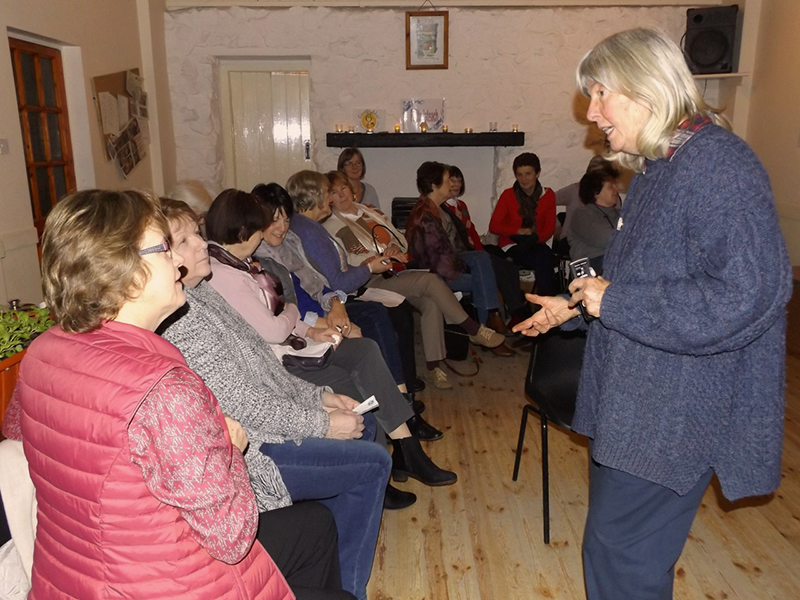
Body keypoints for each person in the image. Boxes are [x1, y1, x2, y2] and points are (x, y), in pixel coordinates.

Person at [513, 28, 792, 600]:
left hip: (674, 412)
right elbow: (641, 276)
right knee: (620, 556)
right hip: (641, 406)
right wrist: (573, 305)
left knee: (622, 562)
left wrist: (613, 301)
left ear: (645, 87)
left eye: (600, 94)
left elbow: (750, 294)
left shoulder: (717, 165)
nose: (591, 115)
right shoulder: (666, 167)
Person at [1, 189, 296, 600]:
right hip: (169, 585)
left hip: (71, 582)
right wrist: (231, 450)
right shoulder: (163, 390)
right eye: (164, 249)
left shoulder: (41, 354)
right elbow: (232, 538)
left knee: (312, 533)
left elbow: (19, 438)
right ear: (125, 269)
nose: (178, 261)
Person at [158, 198, 390, 599]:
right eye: (185, 240)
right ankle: (349, 588)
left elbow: (264, 370)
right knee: (372, 463)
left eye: (197, 232)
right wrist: (319, 421)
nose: (201, 244)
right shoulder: (182, 316)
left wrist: (320, 398)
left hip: (265, 425)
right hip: (252, 450)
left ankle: (327, 575)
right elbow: (242, 403)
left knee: (361, 429)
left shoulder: (201, 293)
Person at [201, 189, 457, 488]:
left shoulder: (240, 264)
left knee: (364, 349)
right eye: (262, 226)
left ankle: (407, 448)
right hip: (279, 359)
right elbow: (274, 326)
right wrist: (297, 314)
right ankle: (379, 475)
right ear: (243, 231)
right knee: (351, 379)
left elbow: (291, 308)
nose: (270, 231)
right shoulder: (227, 274)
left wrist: (310, 329)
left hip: (295, 341)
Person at [288, 170, 507, 389]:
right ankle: (474, 330)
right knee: (431, 281)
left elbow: (401, 239)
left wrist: (394, 248)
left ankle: (433, 367)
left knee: (431, 302)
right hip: (369, 280)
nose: (338, 195)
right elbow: (341, 273)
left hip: (393, 270)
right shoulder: (326, 226)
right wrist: (372, 263)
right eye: (331, 192)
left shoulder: (368, 211)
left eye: (342, 188)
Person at [251, 182, 436, 437]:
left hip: (326, 308)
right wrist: (328, 317)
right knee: (376, 320)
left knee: (394, 314)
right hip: (306, 328)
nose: (282, 227)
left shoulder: (293, 239)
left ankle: (401, 414)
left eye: (285, 219)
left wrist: (335, 303)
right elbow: (295, 307)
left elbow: (319, 284)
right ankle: (399, 418)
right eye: (274, 221)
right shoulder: (281, 248)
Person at [404, 162, 515, 357]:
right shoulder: (426, 217)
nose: (452, 184)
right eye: (448, 180)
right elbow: (440, 264)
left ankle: (487, 325)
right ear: (434, 185)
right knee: (483, 280)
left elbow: (455, 247)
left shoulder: (438, 209)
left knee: (481, 258)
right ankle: (488, 324)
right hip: (433, 274)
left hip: (447, 263)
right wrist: (465, 267)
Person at [444, 165, 528, 330]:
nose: (456, 184)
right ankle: (511, 313)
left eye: (459, 181)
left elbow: (472, 231)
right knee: (498, 267)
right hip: (462, 255)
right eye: (452, 181)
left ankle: (516, 311)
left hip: (475, 251)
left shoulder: (461, 205)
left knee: (509, 267)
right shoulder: (445, 208)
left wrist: (481, 251)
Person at [489, 152, 556, 295]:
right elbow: (494, 226)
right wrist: (518, 231)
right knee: (544, 258)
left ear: (537, 174)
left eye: (528, 174)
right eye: (519, 174)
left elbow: (549, 228)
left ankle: (543, 301)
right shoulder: (508, 195)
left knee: (544, 255)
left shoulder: (548, 196)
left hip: (536, 243)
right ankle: (546, 301)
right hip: (511, 245)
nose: (523, 179)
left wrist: (535, 238)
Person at [566, 167, 622, 274]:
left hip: (613, 262)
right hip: (591, 267)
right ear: (596, 192)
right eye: (611, 186)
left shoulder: (620, 213)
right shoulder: (582, 214)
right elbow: (608, 239)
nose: (616, 190)